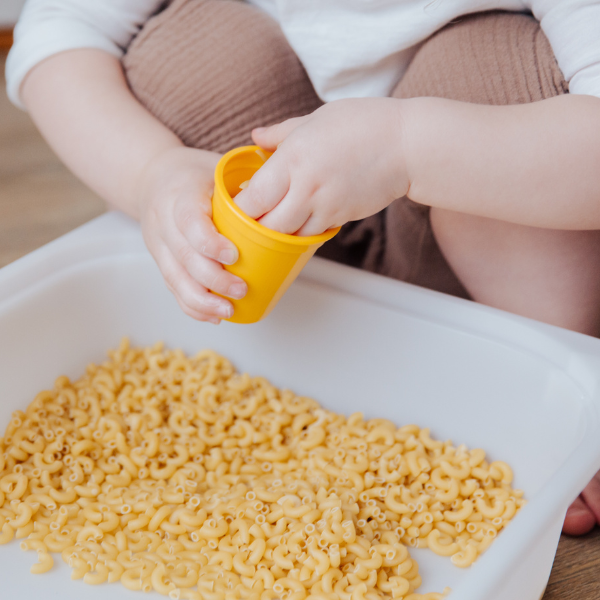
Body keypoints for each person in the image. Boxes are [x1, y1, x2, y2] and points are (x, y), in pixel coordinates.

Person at [6, 0, 600, 535]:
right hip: (283, 249)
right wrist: (152, 172)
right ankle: (281, 324)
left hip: (480, 245)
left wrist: (408, 146)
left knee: (489, 72)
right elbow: (60, 29)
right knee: (192, 55)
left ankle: (554, 376)